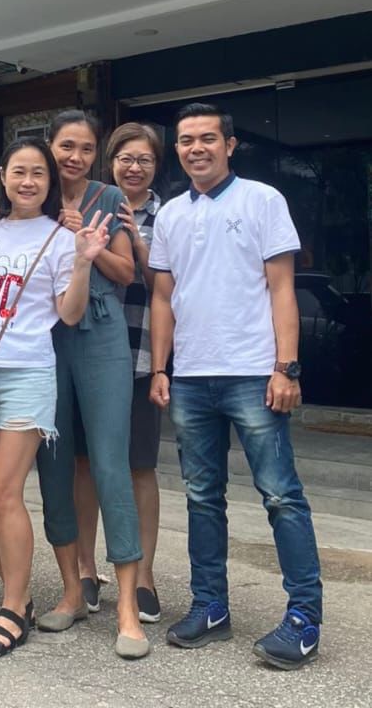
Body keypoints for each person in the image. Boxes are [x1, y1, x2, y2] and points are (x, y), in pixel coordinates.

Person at [149, 101, 323, 670]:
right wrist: (161, 368)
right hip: (192, 377)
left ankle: (304, 618)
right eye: (185, 140)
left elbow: (282, 288)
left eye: (207, 138)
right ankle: (210, 606)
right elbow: (163, 297)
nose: (195, 148)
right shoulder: (171, 214)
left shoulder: (262, 200)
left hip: (253, 372)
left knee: (280, 495)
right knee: (202, 497)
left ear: (229, 145)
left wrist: (286, 367)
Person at [0, 138, 112, 658]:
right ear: (2, 176)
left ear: (50, 183)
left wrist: (85, 262)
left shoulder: (61, 237)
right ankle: (16, 595)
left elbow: (69, 314)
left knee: (4, 489)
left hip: (27, 372)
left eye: (38, 174)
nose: (28, 182)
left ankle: (11, 605)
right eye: (19, 172)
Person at [35, 109, 148, 659]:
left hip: (102, 335)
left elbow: (129, 274)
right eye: (66, 146)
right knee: (54, 463)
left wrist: (89, 242)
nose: (75, 157)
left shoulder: (109, 197)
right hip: (45, 336)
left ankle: (127, 606)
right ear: (50, 146)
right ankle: (71, 592)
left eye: (85, 148)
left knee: (109, 465)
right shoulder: (32, 194)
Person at [71, 122, 165, 624]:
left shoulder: (167, 215)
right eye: (126, 158)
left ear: (156, 166)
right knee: (85, 463)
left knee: (138, 466)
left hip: (141, 353)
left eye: (144, 159)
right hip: (88, 349)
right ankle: (85, 569)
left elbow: (168, 285)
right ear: (111, 162)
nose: (134, 167)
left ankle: (143, 575)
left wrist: (135, 240)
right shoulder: (90, 204)